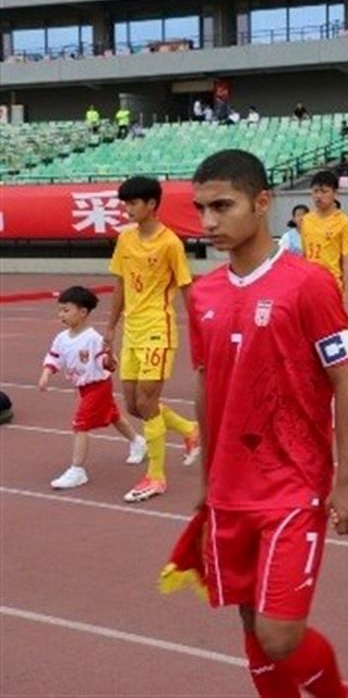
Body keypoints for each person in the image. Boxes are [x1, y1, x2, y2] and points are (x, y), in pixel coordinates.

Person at [187, 149, 348, 698]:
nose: (209, 222)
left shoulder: (308, 285)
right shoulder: (202, 295)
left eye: (223, 206)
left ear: (262, 202)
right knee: (248, 620)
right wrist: (205, 482)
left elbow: (346, 380)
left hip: (292, 484)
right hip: (228, 488)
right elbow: (205, 385)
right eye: (201, 209)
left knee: (280, 634)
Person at [105, 176, 200, 503]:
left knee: (147, 402)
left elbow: (187, 287)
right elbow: (119, 285)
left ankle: (156, 476)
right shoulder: (125, 240)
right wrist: (110, 328)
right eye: (125, 204)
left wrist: (198, 331)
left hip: (159, 329)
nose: (127, 209)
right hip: (132, 331)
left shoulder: (170, 243)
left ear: (152, 205)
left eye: (133, 203)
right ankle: (190, 430)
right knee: (133, 406)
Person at [40, 286, 146, 489]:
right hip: (82, 388)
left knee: (80, 424)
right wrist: (46, 373)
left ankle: (77, 470)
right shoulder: (62, 338)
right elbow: (54, 357)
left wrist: (108, 358)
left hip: (98, 385)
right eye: (60, 310)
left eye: (66, 310)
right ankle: (137, 441)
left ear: (83, 312)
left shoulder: (94, 339)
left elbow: (109, 364)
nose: (61, 314)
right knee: (113, 415)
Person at [299, 170, 348, 312]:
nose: (319, 196)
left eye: (324, 191)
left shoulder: (344, 223)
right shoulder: (306, 220)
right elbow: (304, 255)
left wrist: (347, 298)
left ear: (335, 193)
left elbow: (347, 262)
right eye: (315, 191)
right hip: (308, 286)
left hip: (331, 286)